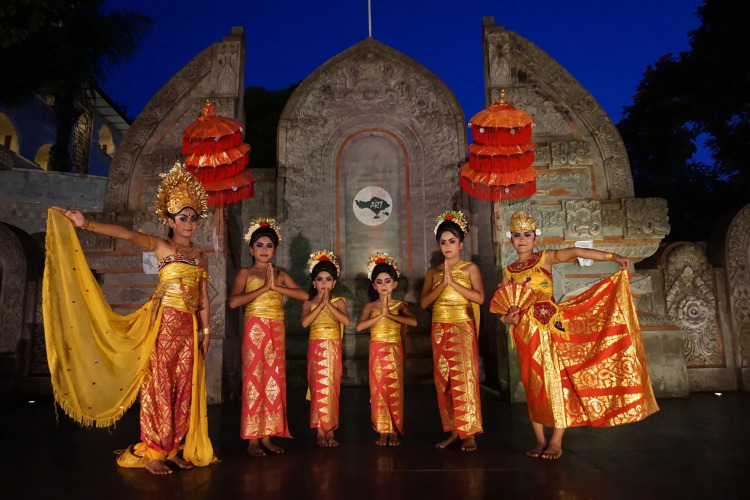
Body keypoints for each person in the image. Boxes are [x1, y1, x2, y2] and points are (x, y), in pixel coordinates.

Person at [44, 161, 215, 475]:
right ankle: (153, 452)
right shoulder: (162, 246)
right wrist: (86, 223)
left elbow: (203, 297)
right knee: (158, 387)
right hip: (163, 324)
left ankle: (173, 448)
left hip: (189, 329)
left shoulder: (200, 256)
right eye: (183, 218)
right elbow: (127, 234)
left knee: (184, 389)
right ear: (170, 220)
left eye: (193, 218)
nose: (189, 223)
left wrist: (207, 333)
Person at [497, 211, 659, 460]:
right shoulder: (509, 271)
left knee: (558, 382)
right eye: (517, 235)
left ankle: (556, 441)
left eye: (526, 234)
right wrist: (506, 319)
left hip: (551, 327)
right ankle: (540, 440)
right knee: (533, 386)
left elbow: (575, 251)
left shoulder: (545, 258)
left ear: (535, 238)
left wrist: (612, 256)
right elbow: (505, 308)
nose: (522, 239)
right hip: (525, 332)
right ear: (511, 239)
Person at [229, 218, 308, 457]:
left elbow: (304, 295)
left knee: (274, 381)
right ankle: (253, 439)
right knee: (254, 380)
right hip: (255, 329)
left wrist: (276, 287)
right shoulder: (246, 273)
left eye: (269, 245)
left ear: (275, 250)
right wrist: (263, 289)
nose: (264, 249)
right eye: (260, 245)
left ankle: (268, 436)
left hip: (276, 329)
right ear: (251, 249)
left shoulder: (280, 274)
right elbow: (234, 302)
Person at [419, 211, 485, 452]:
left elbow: (479, 297)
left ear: (461, 244)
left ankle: (470, 433)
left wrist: (453, 283)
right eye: (443, 242)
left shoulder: (470, 268)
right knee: (444, 380)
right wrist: (443, 283)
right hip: (439, 328)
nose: (447, 246)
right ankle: (454, 431)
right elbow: (424, 302)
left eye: (452, 241)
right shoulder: (433, 272)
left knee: (464, 377)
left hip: (462, 327)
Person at [356, 252, 416, 446]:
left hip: (394, 349)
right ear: (374, 286)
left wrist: (390, 315)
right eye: (379, 282)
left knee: (394, 389)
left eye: (387, 281)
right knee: (379, 389)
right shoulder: (370, 306)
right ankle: (383, 430)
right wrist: (380, 315)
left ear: (394, 284)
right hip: (377, 350)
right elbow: (360, 326)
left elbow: (413, 322)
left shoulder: (400, 305)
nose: (383, 285)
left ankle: (394, 430)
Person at [301, 251, 350, 447]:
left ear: (334, 283)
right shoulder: (308, 303)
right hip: (316, 348)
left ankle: (330, 430)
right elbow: (305, 323)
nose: (324, 283)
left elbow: (345, 321)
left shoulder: (338, 302)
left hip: (333, 348)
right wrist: (320, 305)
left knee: (331, 388)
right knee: (318, 388)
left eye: (328, 279)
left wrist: (328, 305)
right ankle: (320, 432)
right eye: (320, 279)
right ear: (314, 282)